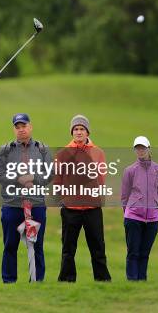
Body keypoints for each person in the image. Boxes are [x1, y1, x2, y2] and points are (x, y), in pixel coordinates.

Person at [0, 113, 52, 283]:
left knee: (37, 245)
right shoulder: (5, 150)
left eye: (24, 126)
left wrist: (33, 177)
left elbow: (50, 174)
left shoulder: (42, 149)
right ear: (14, 129)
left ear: (30, 127)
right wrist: (18, 179)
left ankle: (37, 281)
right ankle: (9, 282)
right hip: (12, 204)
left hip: (36, 205)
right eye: (17, 127)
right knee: (10, 245)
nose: (21, 130)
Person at [54, 115, 111, 282]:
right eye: (76, 129)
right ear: (72, 132)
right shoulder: (63, 153)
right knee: (68, 248)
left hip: (92, 208)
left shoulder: (98, 152)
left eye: (82, 129)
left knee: (98, 247)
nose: (79, 132)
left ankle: (102, 280)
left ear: (87, 132)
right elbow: (57, 178)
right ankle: (66, 279)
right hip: (70, 209)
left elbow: (101, 178)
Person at [121, 136, 158, 281]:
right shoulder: (129, 170)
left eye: (143, 147)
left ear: (149, 148)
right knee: (133, 252)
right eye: (137, 148)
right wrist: (128, 212)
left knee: (145, 252)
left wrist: (155, 208)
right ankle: (132, 281)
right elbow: (124, 196)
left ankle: (142, 281)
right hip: (133, 217)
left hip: (153, 218)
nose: (140, 150)